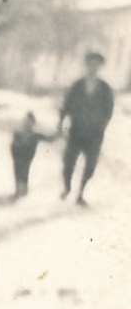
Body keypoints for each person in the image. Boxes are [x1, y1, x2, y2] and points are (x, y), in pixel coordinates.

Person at [58, 51, 115, 206]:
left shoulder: (105, 88)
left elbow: (109, 110)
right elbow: (66, 105)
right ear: (86, 65)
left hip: (95, 133)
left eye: (96, 64)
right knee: (69, 161)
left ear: (100, 67)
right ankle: (67, 187)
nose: (93, 67)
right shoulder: (77, 86)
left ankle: (81, 193)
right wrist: (61, 122)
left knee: (90, 165)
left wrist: (101, 124)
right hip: (76, 130)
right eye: (90, 64)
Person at [10, 111, 43, 198]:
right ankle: (19, 190)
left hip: (27, 156)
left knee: (24, 170)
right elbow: (13, 146)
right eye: (27, 122)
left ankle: (22, 189)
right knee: (19, 171)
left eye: (30, 122)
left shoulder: (35, 135)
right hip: (19, 155)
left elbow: (49, 139)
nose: (28, 124)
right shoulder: (18, 133)